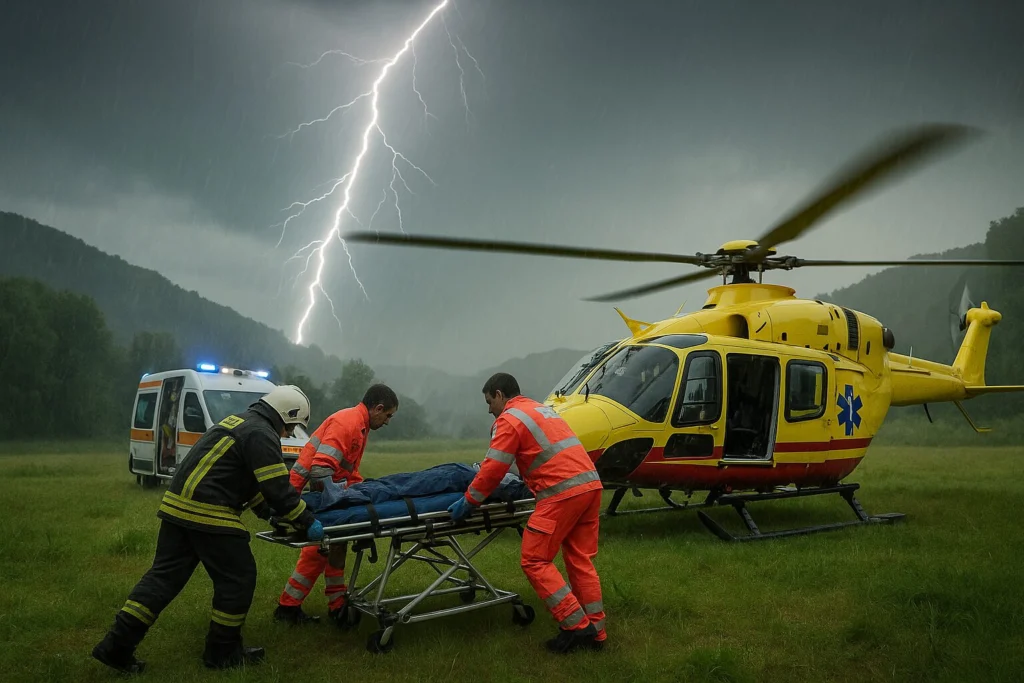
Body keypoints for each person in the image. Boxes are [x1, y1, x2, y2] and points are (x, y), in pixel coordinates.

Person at [91, 385, 323, 674]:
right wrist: (307, 521)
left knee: (162, 580)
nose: (288, 433)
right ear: (285, 415)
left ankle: (115, 647)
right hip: (209, 511)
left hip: (177, 509)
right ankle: (222, 652)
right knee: (238, 578)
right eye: (291, 426)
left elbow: (247, 485)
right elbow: (277, 488)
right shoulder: (262, 434)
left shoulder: (236, 422)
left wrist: (270, 516)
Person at [448, 372, 606, 654]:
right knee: (580, 559)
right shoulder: (541, 409)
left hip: (561, 492)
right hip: (590, 485)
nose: (489, 410)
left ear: (499, 394)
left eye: (489, 402)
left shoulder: (509, 418)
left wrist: (469, 501)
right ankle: (596, 631)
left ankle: (576, 627)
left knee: (534, 560)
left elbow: (494, 468)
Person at [273, 384, 399, 626]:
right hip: (310, 494)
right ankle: (294, 607)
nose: (387, 422)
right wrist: (339, 506)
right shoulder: (349, 423)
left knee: (333, 549)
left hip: (316, 492)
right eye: (388, 415)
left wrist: (362, 492)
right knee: (319, 552)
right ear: (378, 408)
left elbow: (347, 470)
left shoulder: (358, 424)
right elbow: (321, 470)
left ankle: (333, 603)